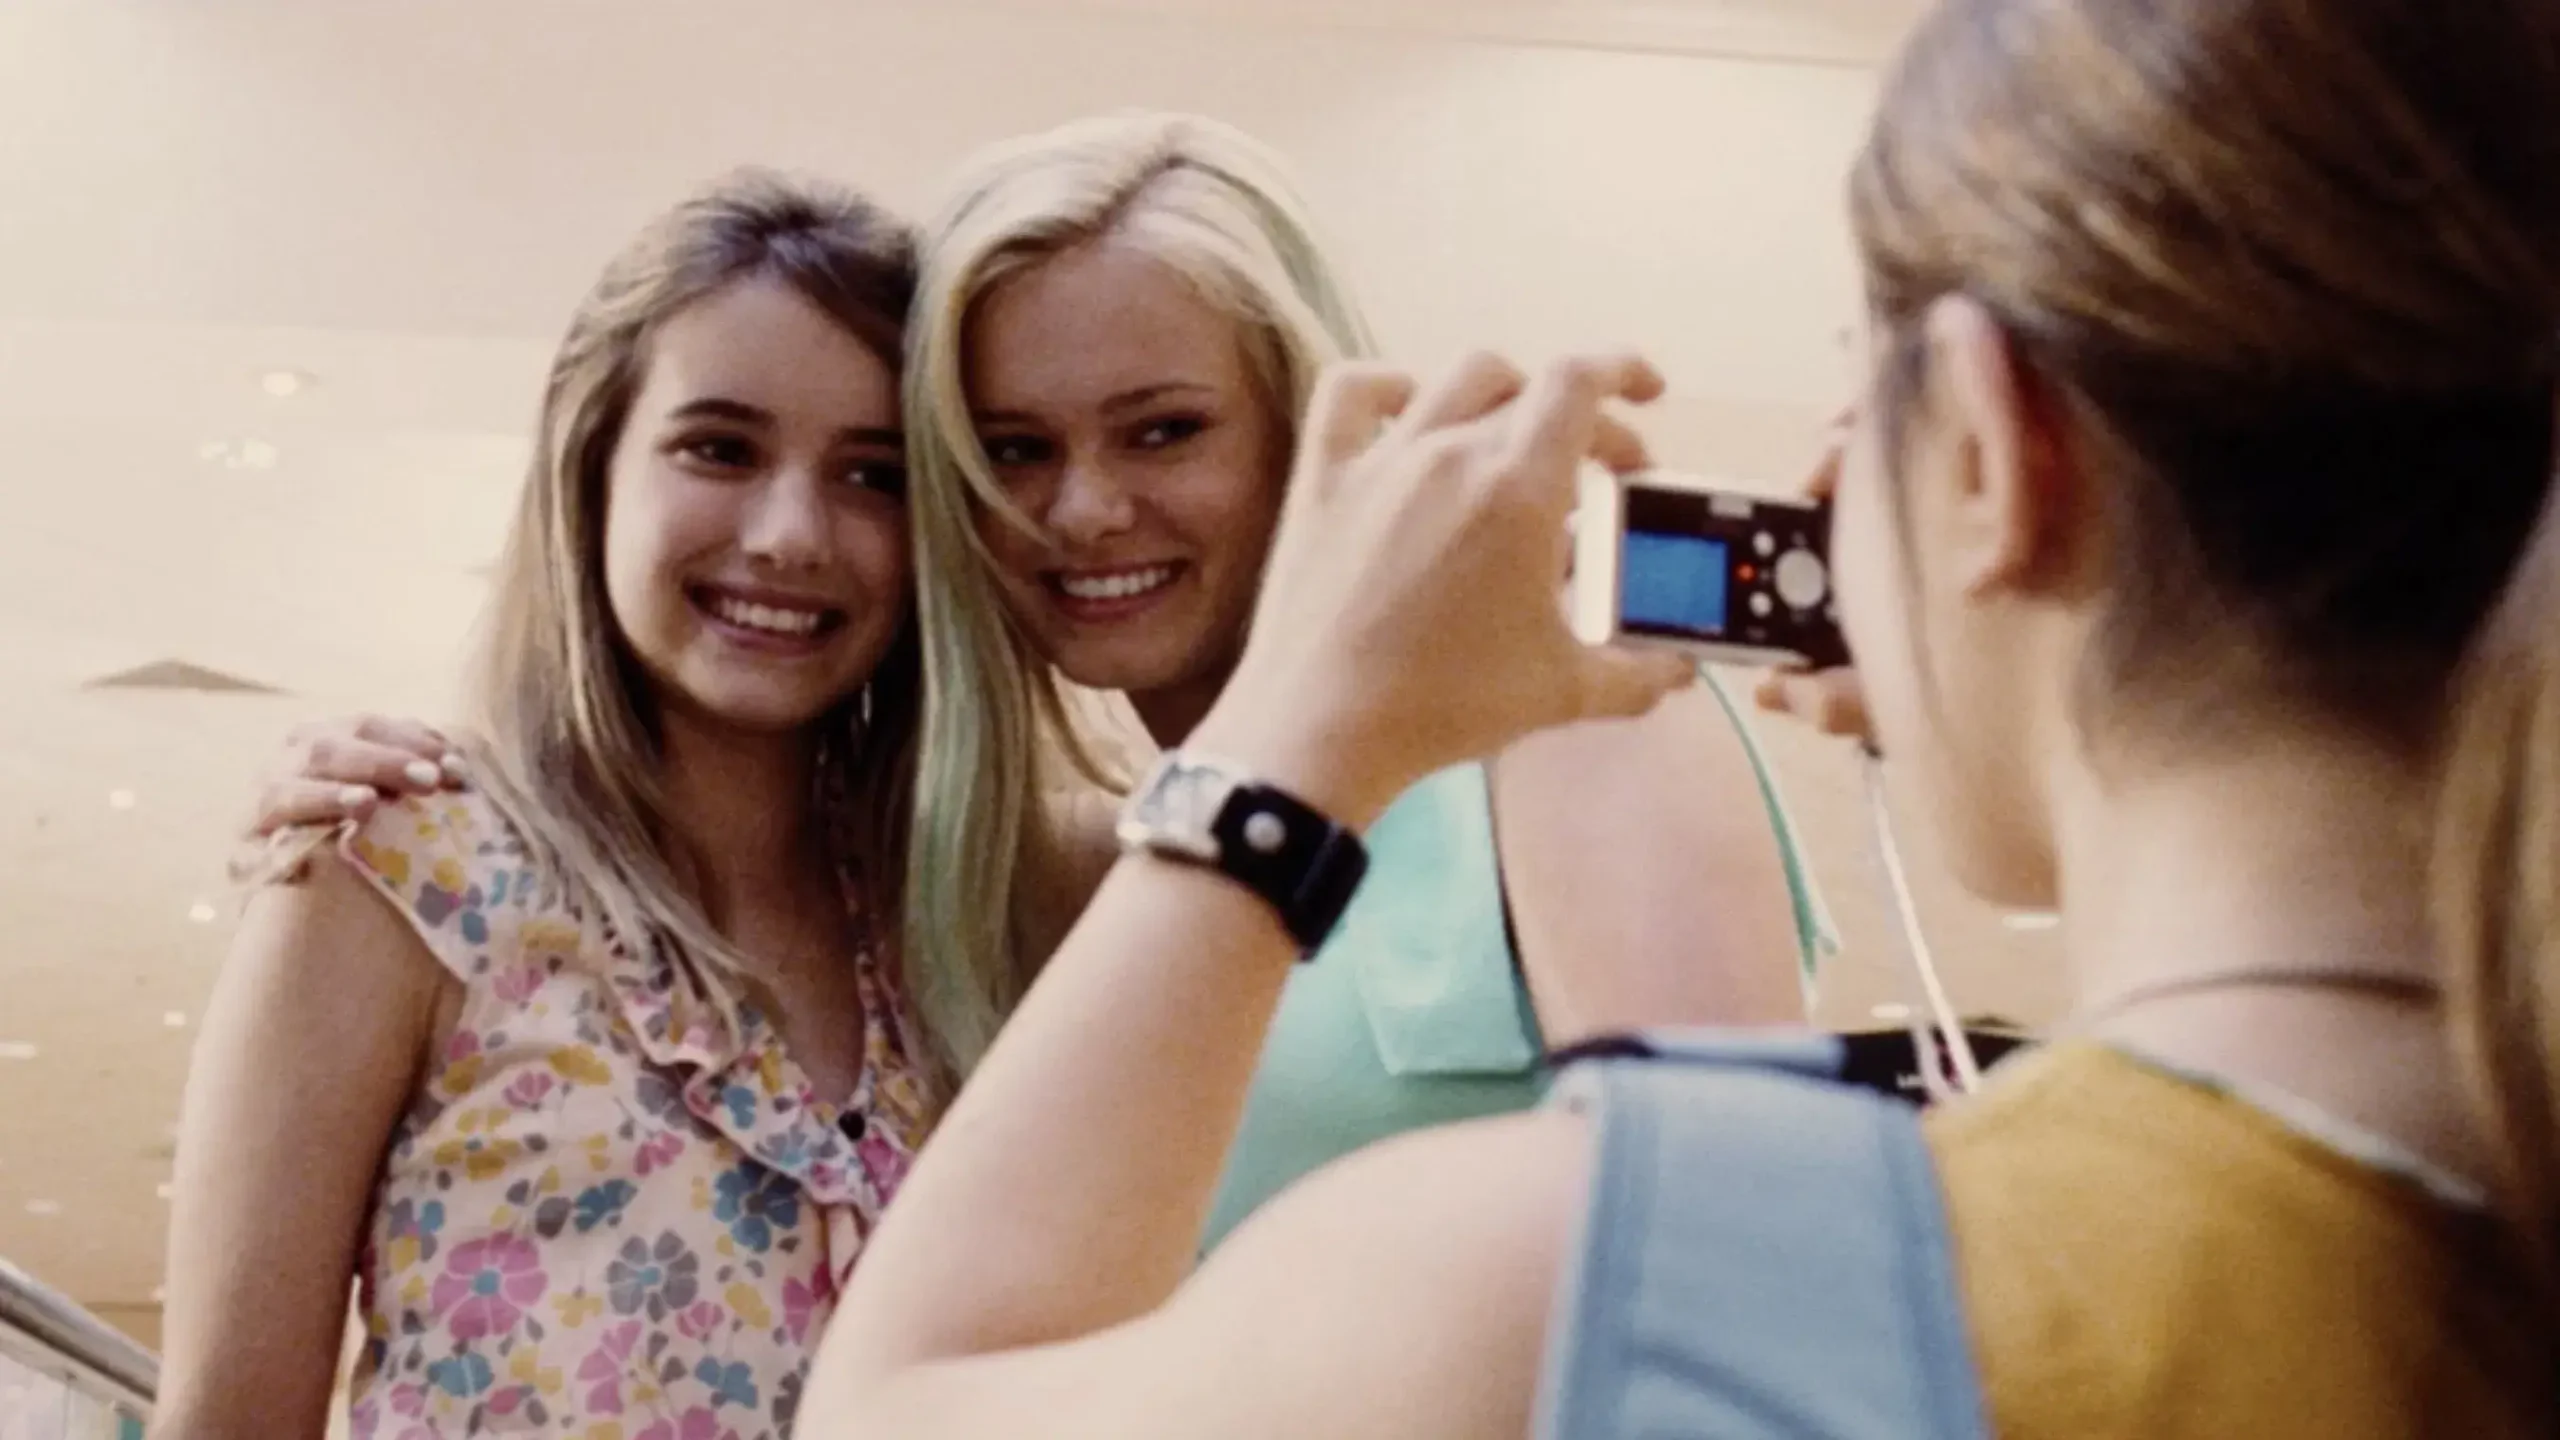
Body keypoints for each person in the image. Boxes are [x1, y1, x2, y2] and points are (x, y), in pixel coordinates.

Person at [781, 0, 2560, 1433]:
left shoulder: (1570, 1283)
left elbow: (897, 1411)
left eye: (1864, 401)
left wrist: (1293, 739)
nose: (1082, 506)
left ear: (1992, 458)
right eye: (1012, 453)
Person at [242, 112, 1820, 1250]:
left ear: (1300, 416)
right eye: (1010, 449)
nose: (1084, 510)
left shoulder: (1574, 722)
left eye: (1164, 430)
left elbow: (1735, 1267)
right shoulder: (1064, 876)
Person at [156, 173, 939, 1440]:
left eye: (873, 473)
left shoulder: (967, 915)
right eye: (720, 449)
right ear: (593, 472)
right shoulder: (397, 869)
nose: (793, 533)